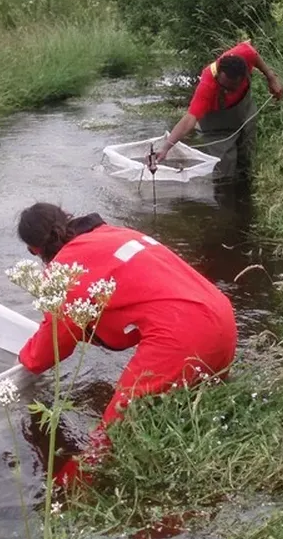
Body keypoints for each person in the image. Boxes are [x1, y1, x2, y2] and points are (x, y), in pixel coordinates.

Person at [14, 202, 238, 487]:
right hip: (222, 316)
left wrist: (24, 360)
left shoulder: (63, 270)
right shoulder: (112, 233)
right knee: (200, 413)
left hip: (182, 333)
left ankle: (69, 501)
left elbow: (52, 344)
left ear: (34, 250)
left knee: (106, 443)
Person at [156, 41, 283, 183]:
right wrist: (166, 147)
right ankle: (225, 199)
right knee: (225, 170)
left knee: (247, 155)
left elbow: (253, 53)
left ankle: (246, 190)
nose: (228, 91)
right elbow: (189, 120)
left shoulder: (245, 54)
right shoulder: (207, 85)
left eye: (233, 87)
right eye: (225, 87)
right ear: (218, 76)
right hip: (216, 125)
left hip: (244, 111)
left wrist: (271, 77)